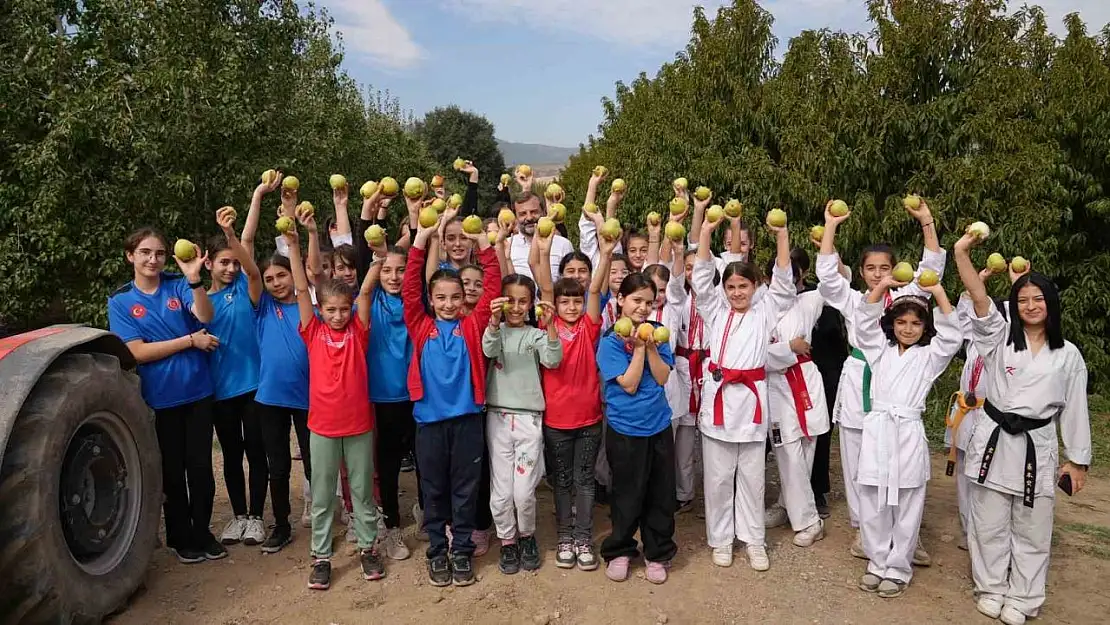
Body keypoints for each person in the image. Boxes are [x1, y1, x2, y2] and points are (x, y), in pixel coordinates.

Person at [953, 234, 1091, 625]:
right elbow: (979, 297)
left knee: (1032, 527)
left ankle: (1025, 596)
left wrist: (1077, 461)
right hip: (995, 440)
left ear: (1051, 304)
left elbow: (1075, 409)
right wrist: (962, 252)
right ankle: (991, 587)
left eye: (1038, 299)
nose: (1030, 306)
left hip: (1037, 442)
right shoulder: (997, 337)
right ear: (1013, 305)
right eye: (1023, 299)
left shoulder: (1068, 354)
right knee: (988, 521)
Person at [816, 198, 944, 564]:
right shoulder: (855, 299)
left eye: (883, 267)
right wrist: (831, 226)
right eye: (870, 268)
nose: (877, 273)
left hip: (899, 383)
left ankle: (909, 535)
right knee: (858, 458)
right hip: (859, 379)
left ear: (895, 268)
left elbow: (932, 266)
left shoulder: (908, 299)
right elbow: (827, 275)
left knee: (903, 463)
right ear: (860, 271)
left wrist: (926, 221)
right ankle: (864, 528)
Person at [108, 227, 222, 563]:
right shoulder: (121, 301)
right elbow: (137, 353)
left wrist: (195, 280)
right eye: (145, 252)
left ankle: (203, 532)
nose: (153, 260)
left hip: (198, 391)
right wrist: (190, 341)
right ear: (130, 256)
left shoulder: (177, 283)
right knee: (172, 471)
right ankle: (180, 538)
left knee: (200, 468)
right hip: (160, 399)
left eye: (158, 253)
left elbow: (205, 316)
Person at [283, 219, 384, 590]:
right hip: (322, 427)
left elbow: (367, 293)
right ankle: (321, 556)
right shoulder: (313, 332)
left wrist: (377, 261)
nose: (339, 316)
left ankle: (369, 548)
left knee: (361, 493)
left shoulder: (359, 330)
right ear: (321, 311)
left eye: (344, 309)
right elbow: (299, 288)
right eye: (332, 310)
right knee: (324, 496)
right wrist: (293, 246)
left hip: (358, 425)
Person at [692, 212, 794, 572]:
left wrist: (781, 236)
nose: (737, 293)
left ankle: (753, 540)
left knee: (751, 477)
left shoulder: (765, 312)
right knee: (718, 478)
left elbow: (784, 284)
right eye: (731, 288)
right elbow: (702, 280)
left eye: (743, 287)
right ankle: (721, 540)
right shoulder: (715, 311)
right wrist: (705, 233)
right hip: (719, 398)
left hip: (751, 401)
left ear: (755, 288)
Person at [403, 211, 500, 587]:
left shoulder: (472, 325)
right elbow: (410, 289)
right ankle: (436, 554)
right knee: (434, 491)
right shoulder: (421, 325)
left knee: (465, 490)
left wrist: (484, 244)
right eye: (440, 297)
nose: (447, 303)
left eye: (455, 297)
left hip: (467, 421)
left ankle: (461, 552)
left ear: (464, 299)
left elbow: (492, 285)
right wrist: (420, 240)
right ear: (431, 299)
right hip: (429, 423)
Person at [852, 262, 960, 599]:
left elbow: (953, 336)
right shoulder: (878, 352)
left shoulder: (930, 357)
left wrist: (938, 291)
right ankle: (876, 561)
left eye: (916, 323)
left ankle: (898, 567)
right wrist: (881, 287)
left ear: (926, 327)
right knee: (872, 498)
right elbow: (863, 324)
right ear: (891, 323)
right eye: (901, 322)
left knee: (907, 501)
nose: (908, 329)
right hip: (879, 429)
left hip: (907, 431)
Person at [532, 229, 611, 571]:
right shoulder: (546, 325)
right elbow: (547, 289)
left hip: (589, 419)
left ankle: (583, 537)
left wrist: (606, 254)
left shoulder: (589, 328)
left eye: (576, 301)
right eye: (565, 301)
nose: (571, 306)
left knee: (584, 481)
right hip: (556, 422)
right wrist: (546, 249)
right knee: (561, 482)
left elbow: (594, 288)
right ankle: (564, 535)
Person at [597, 272, 677, 584]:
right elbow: (628, 385)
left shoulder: (659, 334)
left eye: (649, 301)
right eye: (636, 300)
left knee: (659, 494)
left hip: (657, 425)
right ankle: (620, 550)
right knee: (627, 494)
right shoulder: (611, 341)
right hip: (625, 429)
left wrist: (651, 347)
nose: (643, 308)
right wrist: (639, 349)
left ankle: (657, 553)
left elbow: (661, 378)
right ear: (620, 300)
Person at [483, 274, 563, 574]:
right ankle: (507, 540)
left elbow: (553, 360)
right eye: (510, 300)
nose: (516, 307)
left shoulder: (537, 334)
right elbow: (489, 350)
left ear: (531, 305)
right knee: (501, 490)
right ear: (501, 302)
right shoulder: (496, 331)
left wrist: (552, 324)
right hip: (498, 418)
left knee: (524, 491)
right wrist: (492, 322)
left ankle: (527, 536)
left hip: (529, 419)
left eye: (522, 301)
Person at [205, 207, 268, 547]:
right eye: (223, 263)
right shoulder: (200, 301)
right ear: (208, 265)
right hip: (220, 390)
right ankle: (239, 515)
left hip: (254, 386)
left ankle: (257, 517)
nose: (231, 269)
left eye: (234, 263)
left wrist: (231, 234)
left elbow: (249, 248)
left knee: (256, 452)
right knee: (231, 454)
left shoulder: (247, 286)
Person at [762, 253, 830, 548]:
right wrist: (790, 346)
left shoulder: (811, 300)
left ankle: (787, 504)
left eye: (795, 277)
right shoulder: (759, 305)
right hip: (775, 385)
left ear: (802, 277)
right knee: (786, 450)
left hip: (805, 381)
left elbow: (837, 279)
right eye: (781, 277)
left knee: (805, 449)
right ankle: (810, 520)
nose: (789, 283)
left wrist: (828, 233)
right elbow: (755, 354)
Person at [508, 168, 573, 280]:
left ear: (543, 212)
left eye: (534, 212)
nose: (529, 218)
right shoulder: (508, 246)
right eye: (523, 214)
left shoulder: (563, 245)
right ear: (515, 217)